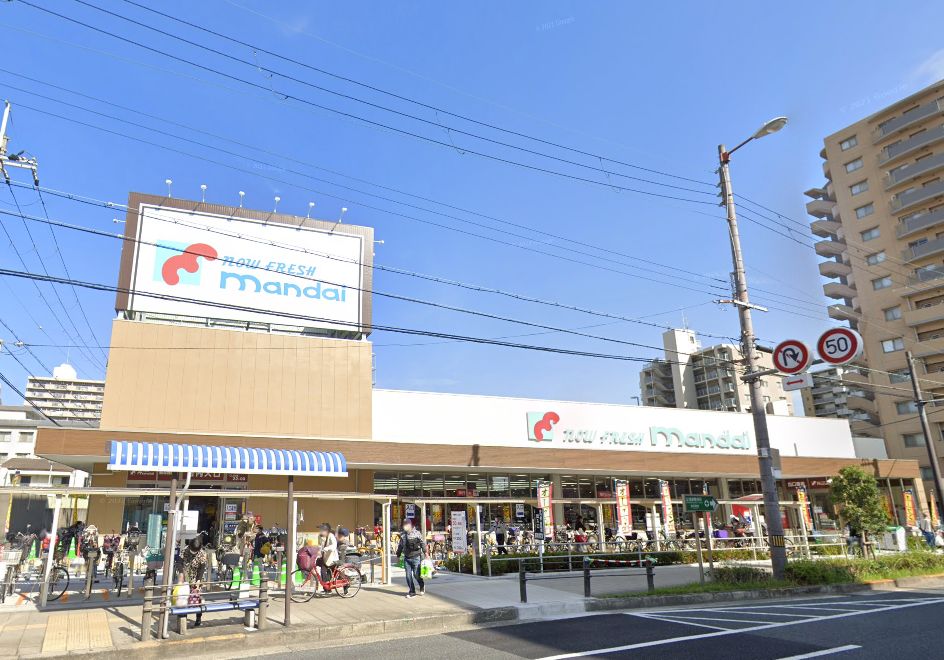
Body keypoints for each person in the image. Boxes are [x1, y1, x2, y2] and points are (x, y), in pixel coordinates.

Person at [395, 518, 428, 598]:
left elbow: (422, 543)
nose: (405, 526)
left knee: (416, 574)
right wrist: (398, 555)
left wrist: (426, 553)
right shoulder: (403, 535)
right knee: (408, 576)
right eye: (404, 524)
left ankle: (421, 585)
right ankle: (412, 591)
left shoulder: (417, 533)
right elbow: (400, 546)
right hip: (407, 558)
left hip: (416, 557)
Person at [180, 536, 208, 627]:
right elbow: (179, 563)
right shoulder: (185, 550)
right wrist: (181, 574)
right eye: (192, 550)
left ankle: (198, 618)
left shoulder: (202, 553)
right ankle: (183, 616)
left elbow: (202, 568)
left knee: (197, 597)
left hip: (197, 576)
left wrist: (198, 580)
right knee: (184, 597)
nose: (193, 552)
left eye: (195, 551)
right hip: (186, 575)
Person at [316, 523, 339, 589]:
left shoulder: (331, 536)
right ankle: (326, 588)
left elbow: (334, 545)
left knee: (336, 574)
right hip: (325, 558)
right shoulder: (319, 537)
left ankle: (345, 585)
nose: (320, 531)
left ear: (326, 531)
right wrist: (318, 551)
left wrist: (326, 548)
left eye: (321, 530)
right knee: (323, 572)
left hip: (332, 558)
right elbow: (320, 546)